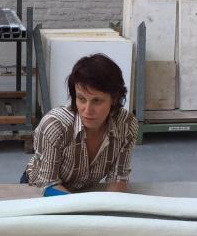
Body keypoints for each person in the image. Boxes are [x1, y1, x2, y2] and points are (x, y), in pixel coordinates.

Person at [23, 53, 138, 195]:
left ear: (114, 98)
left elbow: (118, 179)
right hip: (40, 189)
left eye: (97, 101)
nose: (87, 110)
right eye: (81, 99)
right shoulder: (55, 125)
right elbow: (47, 184)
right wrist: (82, 207)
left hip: (83, 191)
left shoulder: (126, 125)